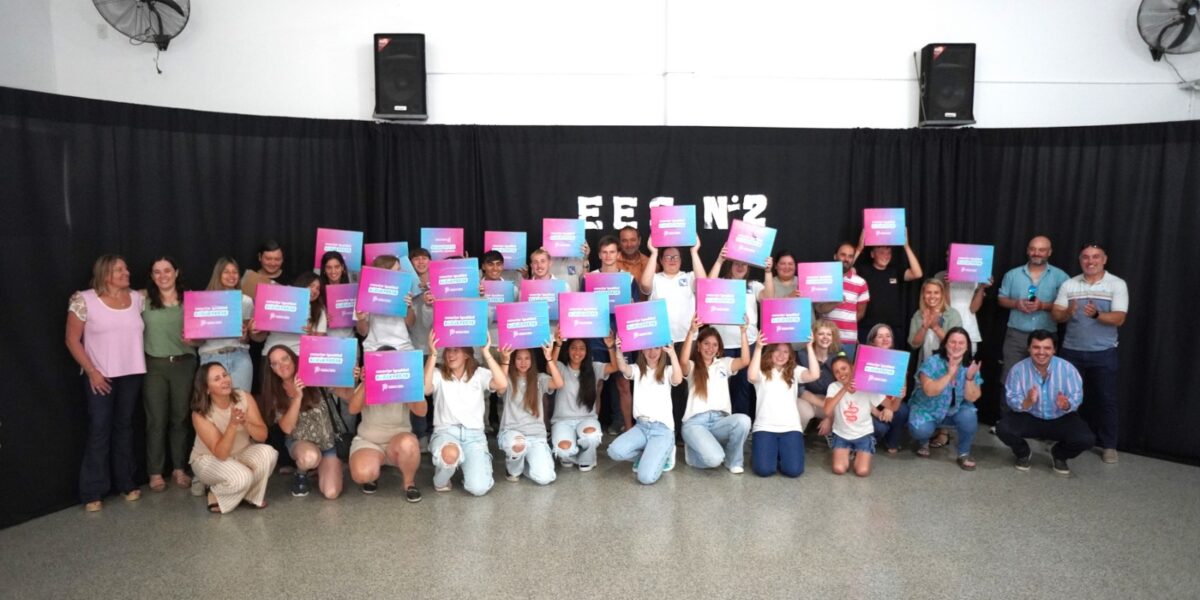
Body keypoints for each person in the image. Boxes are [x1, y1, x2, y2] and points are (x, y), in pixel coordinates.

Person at [66, 255, 147, 512]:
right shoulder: (84, 300)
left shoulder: (137, 299)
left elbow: (164, 298)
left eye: (126, 268)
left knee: (125, 427)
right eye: (119, 270)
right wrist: (92, 371)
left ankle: (126, 482)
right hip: (100, 376)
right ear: (105, 274)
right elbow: (72, 340)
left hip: (132, 373)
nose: (127, 272)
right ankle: (93, 490)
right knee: (100, 429)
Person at [1052, 244, 1128, 464]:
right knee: (1066, 397)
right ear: (1080, 260)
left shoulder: (1117, 284)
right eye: (1085, 257)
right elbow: (1056, 315)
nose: (1090, 261)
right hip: (1071, 351)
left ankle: (1109, 446)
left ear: (1104, 260)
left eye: (1095, 257)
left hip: (1103, 353)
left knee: (1106, 400)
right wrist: (1067, 312)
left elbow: (1119, 318)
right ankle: (1064, 438)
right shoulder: (1069, 284)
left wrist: (1097, 315)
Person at [261, 345, 355, 499]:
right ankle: (301, 473)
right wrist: (297, 397)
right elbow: (287, 428)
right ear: (271, 368)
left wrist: (350, 378)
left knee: (331, 493)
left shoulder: (314, 376)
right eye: (275, 363)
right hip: (300, 443)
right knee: (310, 457)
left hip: (329, 443)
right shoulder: (275, 392)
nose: (282, 365)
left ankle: (323, 468)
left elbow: (348, 396)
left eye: (284, 359)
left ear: (293, 358)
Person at [422, 331, 509, 496]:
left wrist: (486, 352)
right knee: (450, 455)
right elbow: (425, 389)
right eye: (448, 350)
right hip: (446, 432)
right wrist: (433, 354)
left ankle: (465, 463)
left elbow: (502, 384)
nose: (450, 354)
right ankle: (442, 477)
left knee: (478, 488)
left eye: (456, 350)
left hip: (474, 436)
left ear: (467, 354)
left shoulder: (479, 374)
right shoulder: (438, 374)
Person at [996, 330, 1093, 476]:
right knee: (1003, 428)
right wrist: (1027, 402)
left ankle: (1059, 455)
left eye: (1047, 348)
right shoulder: (1018, 370)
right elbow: (1011, 398)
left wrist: (1066, 405)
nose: (1041, 352)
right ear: (1029, 348)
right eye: (1036, 347)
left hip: (1060, 417)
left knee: (1086, 439)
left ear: (1054, 350)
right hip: (1030, 415)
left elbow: (1077, 396)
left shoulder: (1067, 369)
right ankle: (1023, 453)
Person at [140, 256, 197, 492]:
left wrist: (194, 340)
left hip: (184, 364)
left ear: (176, 272)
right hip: (155, 366)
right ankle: (155, 472)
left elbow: (201, 337)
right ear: (152, 276)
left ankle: (179, 469)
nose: (163, 275)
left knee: (180, 418)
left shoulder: (191, 300)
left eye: (167, 270)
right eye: (157, 272)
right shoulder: (142, 300)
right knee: (156, 420)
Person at [190, 362, 277, 513]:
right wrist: (232, 425)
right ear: (207, 389)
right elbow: (221, 454)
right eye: (217, 379)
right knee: (242, 477)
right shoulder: (200, 413)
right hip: (209, 459)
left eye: (225, 375)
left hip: (241, 452)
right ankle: (215, 493)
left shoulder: (244, 397)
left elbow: (262, 436)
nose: (224, 380)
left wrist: (245, 422)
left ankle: (250, 495)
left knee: (269, 453)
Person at [346, 345, 426, 501]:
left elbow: (421, 412)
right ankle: (373, 471)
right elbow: (352, 409)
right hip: (369, 441)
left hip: (399, 441)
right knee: (362, 474)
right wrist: (366, 382)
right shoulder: (367, 382)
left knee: (409, 443)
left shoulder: (404, 383)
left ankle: (409, 483)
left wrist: (415, 385)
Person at [678, 318, 752, 473]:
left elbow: (745, 361)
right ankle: (693, 455)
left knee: (744, 421)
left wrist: (743, 332)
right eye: (706, 343)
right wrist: (691, 331)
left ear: (719, 349)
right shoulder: (692, 366)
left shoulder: (723, 363)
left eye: (714, 345)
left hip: (720, 421)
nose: (710, 348)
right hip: (695, 424)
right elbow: (683, 361)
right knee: (714, 459)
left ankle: (733, 462)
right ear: (699, 346)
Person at [607, 342, 684, 485]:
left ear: (662, 350)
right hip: (641, 427)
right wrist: (618, 349)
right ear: (642, 350)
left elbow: (678, 379)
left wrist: (672, 353)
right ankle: (648, 455)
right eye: (648, 347)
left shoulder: (667, 370)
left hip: (662, 430)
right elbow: (623, 367)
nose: (652, 352)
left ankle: (666, 452)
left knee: (645, 477)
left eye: (656, 348)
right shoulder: (637, 370)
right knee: (614, 451)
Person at [907, 327, 983, 470]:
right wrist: (949, 374)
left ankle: (963, 453)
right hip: (927, 409)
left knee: (969, 415)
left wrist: (969, 378)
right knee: (920, 430)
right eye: (952, 342)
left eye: (961, 343)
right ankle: (923, 441)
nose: (956, 346)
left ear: (967, 346)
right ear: (945, 344)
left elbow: (972, 397)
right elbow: (929, 391)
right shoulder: (932, 362)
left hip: (954, 410)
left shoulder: (970, 366)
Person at [997, 235, 1069, 383]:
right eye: (1033, 249)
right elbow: (1001, 299)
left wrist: (1043, 306)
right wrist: (1017, 304)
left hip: (1047, 337)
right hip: (1016, 336)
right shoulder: (1012, 275)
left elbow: (1067, 306)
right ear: (1027, 251)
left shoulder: (1061, 277)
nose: (1036, 253)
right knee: (1011, 378)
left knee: (1045, 379)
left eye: (1041, 250)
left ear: (1049, 252)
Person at [709, 245, 769, 419]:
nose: (740, 267)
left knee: (743, 386)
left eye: (744, 264)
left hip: (747, 343)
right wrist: (719, 260)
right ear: (730, 265)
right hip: (721, 344)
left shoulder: (753, 285)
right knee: (718, 385)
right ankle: (719, 422)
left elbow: (769, 298)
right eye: (736, 263)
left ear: (748, 267)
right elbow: (707, 286)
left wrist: (768, 272)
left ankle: (741, 423)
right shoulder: (720, 283)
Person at [746, 340, 820, 477]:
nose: (781, 355)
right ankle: (767, 452)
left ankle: (778, 452)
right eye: (777, 351)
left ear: (790, 355)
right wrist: (758, 348)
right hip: (765, 427)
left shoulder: (794, 371)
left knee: (793, 471)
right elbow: (751, 376)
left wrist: (809, 347)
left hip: (790, 428)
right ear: (770, 352)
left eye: (786, 352)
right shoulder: (761, 371)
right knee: (763, 470)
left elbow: (814, 374)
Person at [498, 344, 564, 484]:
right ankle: (513, 470)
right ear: (514, 360)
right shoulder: (507, 378)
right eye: (519, 358)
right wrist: (505, 360)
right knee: (517, 445)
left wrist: (549, 358)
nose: (523, 362)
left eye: (527, 358)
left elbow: (559, 383)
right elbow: (500, 386)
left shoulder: (539, 378)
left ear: (532, 360)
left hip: (536, 436)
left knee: (545, 478)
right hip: (512, 432)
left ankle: (526, 466)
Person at [550, 337, 619, 471]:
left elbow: (614, 367)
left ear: (587, 351)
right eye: (573, 348)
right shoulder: (561, 367)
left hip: (587, 419)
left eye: (582, 348)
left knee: (591, 437)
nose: (577, 352)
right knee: (564, 451)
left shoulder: (594, 367)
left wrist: (610, 346)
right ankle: (571, 450)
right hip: (562, 421)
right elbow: (549, 366)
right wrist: (557, 345)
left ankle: (586, 458)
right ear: (568, 350)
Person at [590, 235, 637, 434]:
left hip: (621, 338)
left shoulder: (628, 279)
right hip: (595, 338)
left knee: (623, 384)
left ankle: (629, 428)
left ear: (618, 254)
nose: (608, 256)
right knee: (596, 385)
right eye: (605, 252)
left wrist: (631, 306)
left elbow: (634, 309)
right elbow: (582, 307)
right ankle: (590, 428)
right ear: (599, 254)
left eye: (612, 252)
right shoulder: (589, 278)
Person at [854, 229, 923, 345]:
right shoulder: (863, 270)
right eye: (881, 252)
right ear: (872, 254)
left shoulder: (895, 271)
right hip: (868, 326)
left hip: (892, 327)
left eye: (888, 253)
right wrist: (859, 249)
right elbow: (844, 273)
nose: (885, 256)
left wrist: (906, 246)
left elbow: (917, 273)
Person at [197, 257, 255, 392]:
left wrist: (245, 335)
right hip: (211, 357)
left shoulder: (246, 301)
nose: (231, 276)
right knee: (216, 402)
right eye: (226, 272)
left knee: (242, 401)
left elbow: (246, 338)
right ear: (218, 274)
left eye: (235, 272)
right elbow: (198, 339)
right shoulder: (203, 300)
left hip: (239, 357)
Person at [824, 356, 887, 477]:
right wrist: (844, 388)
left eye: (844, 368)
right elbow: (827, 411)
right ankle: (848, 452)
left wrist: (898, 397)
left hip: (863, 434)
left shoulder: (866, 385)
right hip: (842, 435)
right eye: (836, 372)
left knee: (862, 472)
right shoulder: (833, 386)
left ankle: (862, 451)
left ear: (852, 367)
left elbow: (892, 406)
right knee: (838, 469)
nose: (841, 373)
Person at [815, 242, 870, 354]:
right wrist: (836, 302)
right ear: (835, 256)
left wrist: (846, 323)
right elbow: (818, 309)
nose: (846, 259)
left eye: (850, 256)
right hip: (825, 338)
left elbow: (860, 313)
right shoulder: (823, 279)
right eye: (843, 255)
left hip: (848, 340)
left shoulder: (861, 282)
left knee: (846, 366)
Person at [356, 255, 417, 352]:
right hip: (374, 347)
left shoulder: (404, 291)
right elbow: (362, 332)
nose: (401, 272)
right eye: (397, 270)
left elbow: (411, 323)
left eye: (400, 269)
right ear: (385, 272)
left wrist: (409, 308)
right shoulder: (365, 293)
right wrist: (361, 319)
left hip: (403, 346)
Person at [864, 323, 910, 454]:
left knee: (903, 410)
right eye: (880, 336)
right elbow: (861, 393)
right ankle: (868, 441)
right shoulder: (865, 359)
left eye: (888, 336)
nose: (885, 339)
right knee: (880, 428)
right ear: (872, 341)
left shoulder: (898, 359)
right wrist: (875, 412)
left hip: (888, 402)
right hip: (869, 404)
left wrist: (890, 407)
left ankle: (892, 442)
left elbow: (901, 389)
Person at [797, 319, 841, 438]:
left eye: (829, 334)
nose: (825, 337)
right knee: (803, 411)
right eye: (821, 334)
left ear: (833, 337)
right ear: (814, 336)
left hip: (831, 400)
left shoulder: (839, 355)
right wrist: (824, 406)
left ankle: (833, 436)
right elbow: (800, 390)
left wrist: (829, 417)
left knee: (844, 410)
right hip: (808, 399)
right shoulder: (802, 355)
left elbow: (843, 387)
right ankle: (796, 437)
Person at [908, 278, 963, 366]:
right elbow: (914, 344)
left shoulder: (953, 314)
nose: (932, 296)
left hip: (948, 365)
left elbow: (955, 345)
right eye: (928, 292)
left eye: (936, 293)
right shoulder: (918, 314)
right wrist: (924, 327)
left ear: (942, 295)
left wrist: (935, 327)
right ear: (923, 295)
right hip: (925, 365)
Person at [318, 250, 355, 338]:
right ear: (324, 269)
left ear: (342, 267)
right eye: (329, 267)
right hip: (326, 341)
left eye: (337, 267)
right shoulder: (318, 292)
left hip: (349, 339)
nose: (333, 271)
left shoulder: (353, 290)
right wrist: (322, 321)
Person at [616, 225, 650, 290]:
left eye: (633, 240)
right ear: (619, 242)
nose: (629, 244)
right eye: (624, 241)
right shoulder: (612, 262)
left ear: (639, 241)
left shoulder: (649, 263)